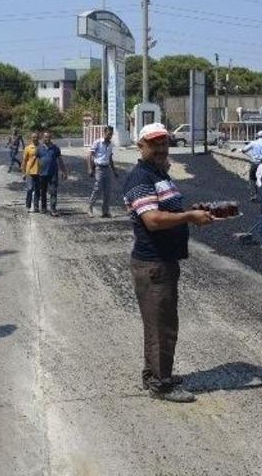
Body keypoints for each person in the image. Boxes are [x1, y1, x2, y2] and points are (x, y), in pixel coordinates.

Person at [123, 122, 216, 403]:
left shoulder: (159, 174)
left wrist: (191, 211)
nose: (162, 148)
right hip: (153, 263)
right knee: (160, 325)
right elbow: (152, 220)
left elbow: (168, 208)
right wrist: (189, 218)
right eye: (155, 144)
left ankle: (155, 374)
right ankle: (161, 384)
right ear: (141, 147)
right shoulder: (140, 178)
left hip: (164, 261)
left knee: (162, 322)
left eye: (164, 143)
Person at [87, 125, 119, 218]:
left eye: (111, 134)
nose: (110, 136)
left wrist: (114, 171)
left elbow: (110, 158)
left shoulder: (111, 144)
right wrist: (89, 168)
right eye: (108, 134)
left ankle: (105, 211)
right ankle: (90, 208)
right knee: (97, 189)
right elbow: (90, 155)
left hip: (107, 168)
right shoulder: (97, 142)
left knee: (108, 191)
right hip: (99, 168)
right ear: (104, 133)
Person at [36, 131, 68, 217]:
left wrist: (64, 171)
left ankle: (53, 209)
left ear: (51, 138)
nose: (47, 139)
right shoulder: (39, 148)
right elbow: (36, 161)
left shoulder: (55, 148)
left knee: (53, 191)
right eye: (45, 137)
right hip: (42, 174)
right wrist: (34, 172)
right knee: (43, 191)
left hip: (53, 173)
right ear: (43, 137)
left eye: (48, 137)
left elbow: (60, 160)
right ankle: (43, 208)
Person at [241, 130, 262, 201]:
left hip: (255, 163)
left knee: (252, 179)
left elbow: (244, 150)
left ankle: (253, 195)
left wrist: (251, 155)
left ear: (257, 136)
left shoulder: (253, 143)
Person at [22, 132, 41, 213]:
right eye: (33, 137)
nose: (35, 139)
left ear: (38, 138)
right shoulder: (28, 148)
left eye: (36, 137)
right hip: (30, 171)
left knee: (37, 190)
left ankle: (36, 206)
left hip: (39, 172)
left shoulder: (41, 147)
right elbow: (24, 161)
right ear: (31, 138)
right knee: (29, 189)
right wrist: (23, 172)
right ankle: (28, 205)